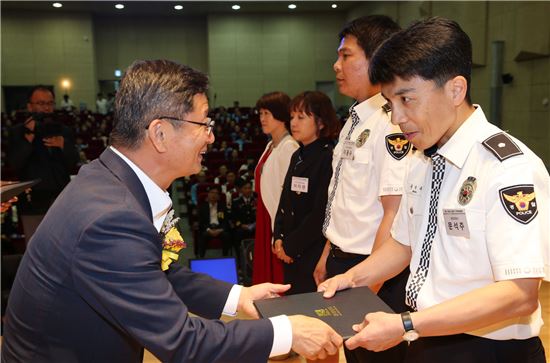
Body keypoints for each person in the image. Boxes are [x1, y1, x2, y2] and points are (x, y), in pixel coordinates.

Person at [2, 60, 342, 363]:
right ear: (160, 133)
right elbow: (183, 344)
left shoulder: (106, 180)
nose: (210, 138)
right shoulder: (111, 218)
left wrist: (238, 297)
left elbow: (156, 274)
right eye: (203, 124)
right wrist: (286, 333)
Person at [319, 17, 549, 363]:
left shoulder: (506, 167)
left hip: (490, 349)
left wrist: (406, 323)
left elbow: (520, 293)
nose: (396, 117)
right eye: (389, 103)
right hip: (428, 338)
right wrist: (352, 278)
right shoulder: (421, 157)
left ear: (455, 90)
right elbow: (403, 243)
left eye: (407, 100)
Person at [313, 15, 409, 363]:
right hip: (345, 261)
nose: (336, 65)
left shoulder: (391, 124)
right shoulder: (357, 120)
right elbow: (343, 198)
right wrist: (328, 252)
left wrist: (369, 291)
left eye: (346, 56)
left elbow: (394, 212)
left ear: (378, 58)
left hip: (376, 268)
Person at [273, 91, 341, 295]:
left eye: (301, 117)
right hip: (289, 249)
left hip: (312, 251)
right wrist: (278, 237)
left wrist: (291, 247)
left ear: (320, 122)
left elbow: (320, 212)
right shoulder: (297, 154)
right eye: (292, 117)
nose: (294, 122)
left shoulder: (327, 157)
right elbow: (284, 202)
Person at [7, 86, 79, 243]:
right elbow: (15, 164)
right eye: (41, 103)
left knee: (64, 246)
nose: (46, 108)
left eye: (50, 103)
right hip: (33, 201)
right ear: (30, 106)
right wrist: (30, 136)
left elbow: (74, 162)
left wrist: (63, 145)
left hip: (61, 199)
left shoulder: (63, 130)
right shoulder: (18, 132)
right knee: (35, 248)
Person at [252, 92, 299, 285]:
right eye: (260, 114)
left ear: (280, 115)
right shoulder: (272, 145)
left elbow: (287, 197)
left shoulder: (289, 147)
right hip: (265, 215)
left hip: (276, 218)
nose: (262, 119)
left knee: (277, 275)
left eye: (266, 113)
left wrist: (279, 232)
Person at [197, 185, 231, 258]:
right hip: (208, 228)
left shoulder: (222, 207)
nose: (213, 195)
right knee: (203, 236)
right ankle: (201, 257)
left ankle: (225, 257)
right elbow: (201, 222)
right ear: (208, 194)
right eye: (212, 193)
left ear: (218, 196)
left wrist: (220, 230)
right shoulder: (203, 207)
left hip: (220, 228)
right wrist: (209, 230)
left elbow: (226, 221)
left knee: (226, 236)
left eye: (216, 193)